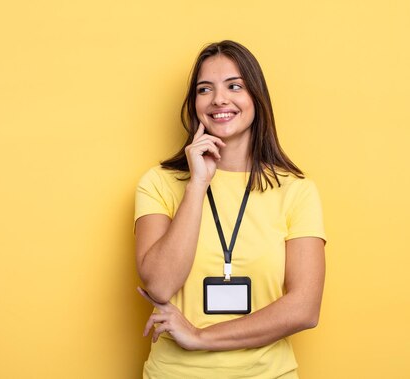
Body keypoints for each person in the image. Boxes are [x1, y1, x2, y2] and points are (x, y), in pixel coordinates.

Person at [134, 40, 326, 378]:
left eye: (234, 86)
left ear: (256, 98)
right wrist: (197, 185)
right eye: (204, 89)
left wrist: (200, 336)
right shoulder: (159, 183)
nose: (219, 99)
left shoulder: (297, 191)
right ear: (194, 104)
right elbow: (160, 286)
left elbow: (304, 308)